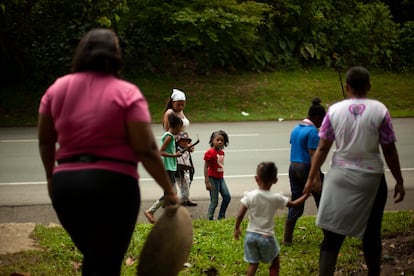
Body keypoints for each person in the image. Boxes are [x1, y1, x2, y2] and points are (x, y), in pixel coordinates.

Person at [37, 28, 179, 276]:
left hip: (66, 187)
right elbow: (146, 149)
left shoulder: (56, 90)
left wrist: (51, 176)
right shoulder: (127, 93)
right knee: (106, 261)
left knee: (94, 257)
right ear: (116, 56)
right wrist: (168, 190)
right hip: (113, 186)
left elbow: (45, 142)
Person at [303, 66, 405, 276]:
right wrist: (399, 180)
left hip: (340, 177)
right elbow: (389, 150)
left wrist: (311, 176)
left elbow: (322, 148)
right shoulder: (380, 110)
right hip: (372, 181)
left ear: (347, 87)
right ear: (369, 86)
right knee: (371, 234)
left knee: (331, 236)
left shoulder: (334, 111)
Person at [234, 162, 308, 276]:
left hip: (250, 236)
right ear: (275, 180)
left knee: (253, 264)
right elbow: (293, 204)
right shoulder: (276, 198)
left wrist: (237, 228)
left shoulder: (250, 195)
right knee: (275, 261)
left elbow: (240, 215)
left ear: (256, 179)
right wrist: (306, 195)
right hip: (266, 236)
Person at [283, 97, 326, 245]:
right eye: (322, 119)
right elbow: (314, 155)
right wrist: (316, 178)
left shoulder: (296, 129)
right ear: (316, 117)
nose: (322, 123)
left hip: (293, 167)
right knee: (322, 200)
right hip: (306, 168)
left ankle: (287, 238)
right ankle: (329, 235)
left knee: (296, 202)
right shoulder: (313, 132)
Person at [144, 114, 183, 224]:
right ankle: (150, 211)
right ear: (175, 126)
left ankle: (172, 214)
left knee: (172, 192)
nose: (180, 130)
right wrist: (174, 156)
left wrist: (175, 154)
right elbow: (161, 151)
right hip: (168, 167)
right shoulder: (169, 136)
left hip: (170, 167)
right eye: (180, 128)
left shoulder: (170, 136)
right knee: (170, 192)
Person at [163, 88, 197, 206]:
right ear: (172, 102)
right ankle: (170, 199)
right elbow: (169, 132)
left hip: (184, 145)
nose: (181, 107)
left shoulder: (180, 112)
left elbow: (183, 130)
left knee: (190, 172)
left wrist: (188, 144)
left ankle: (184, 197)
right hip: (176, 147)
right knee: (176, 174)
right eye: (178, 104)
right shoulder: (169, 113)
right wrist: (180, 145)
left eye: (183, 104)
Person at [204, 130, 231, 220]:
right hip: (212, 178)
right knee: (214, 201)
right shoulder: (210, 152)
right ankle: (209, 219)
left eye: (222, 140)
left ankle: (221, 217)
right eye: (217, 140)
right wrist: (207, 181)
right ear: (212, 140)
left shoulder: (222, 153)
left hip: (220, 178)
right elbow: (205, 167)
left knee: (227, 197)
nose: (220, 142)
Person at [175, 131, 197, 206]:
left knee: (186, 187)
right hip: (180, 172)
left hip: (188, 171)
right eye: (182, 140)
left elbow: (188, 159)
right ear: (178, 141)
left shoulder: (187, 149)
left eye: (186, 140)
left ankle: (185, 200)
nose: (185, 142)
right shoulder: (177, 150)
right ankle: (181, 204)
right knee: (183, 190)